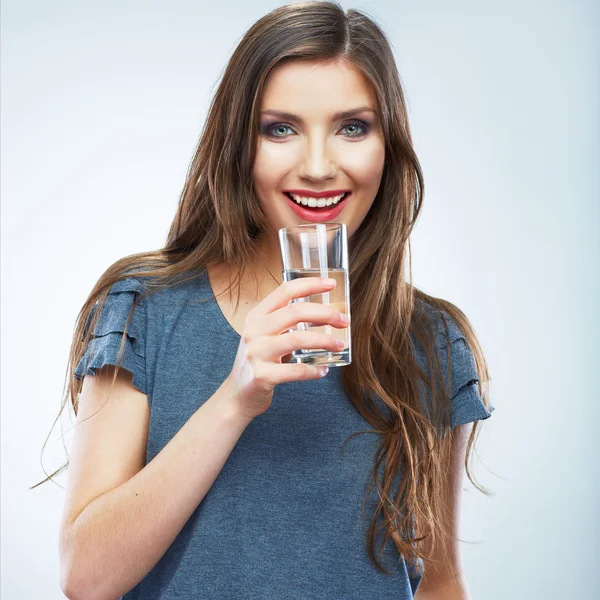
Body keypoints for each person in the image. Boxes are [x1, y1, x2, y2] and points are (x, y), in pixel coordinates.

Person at [33, 2, 495, 598]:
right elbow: (86, 577)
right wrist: (234, 399)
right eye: (280, 128)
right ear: (239, 144)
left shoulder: (429, 341)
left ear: (389, 144)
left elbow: (439, 584)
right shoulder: (146, 310)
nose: (319, 166)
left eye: (353, 126)